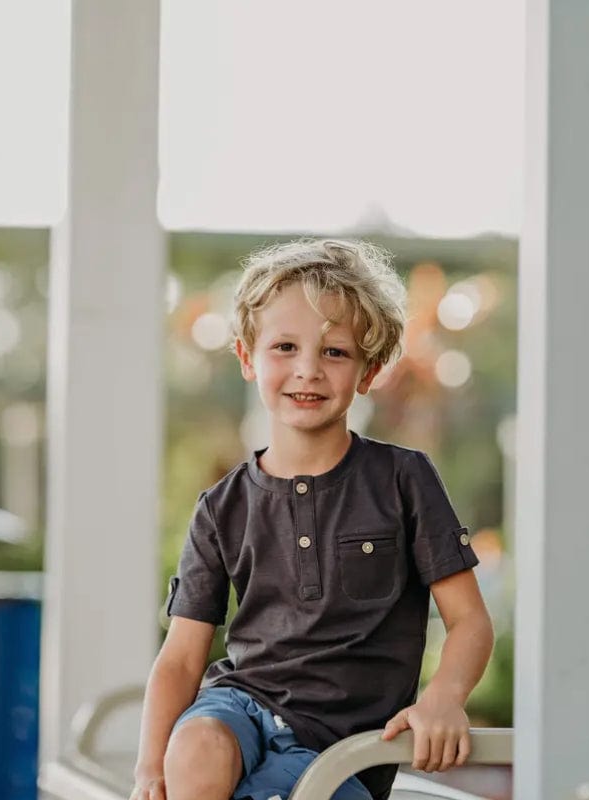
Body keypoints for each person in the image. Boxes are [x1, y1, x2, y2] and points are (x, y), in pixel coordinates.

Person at [131, 240, 495, 800]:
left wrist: (443, 697)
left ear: (368, 371)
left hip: (344, 751)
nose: (308, 370)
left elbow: (469, 621)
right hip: (241, 709)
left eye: (335, 353)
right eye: (284, 347)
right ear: (248, 358)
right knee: (196, 749)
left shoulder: (404, 480)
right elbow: (181, 658)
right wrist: (150, 769)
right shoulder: (220, 508)